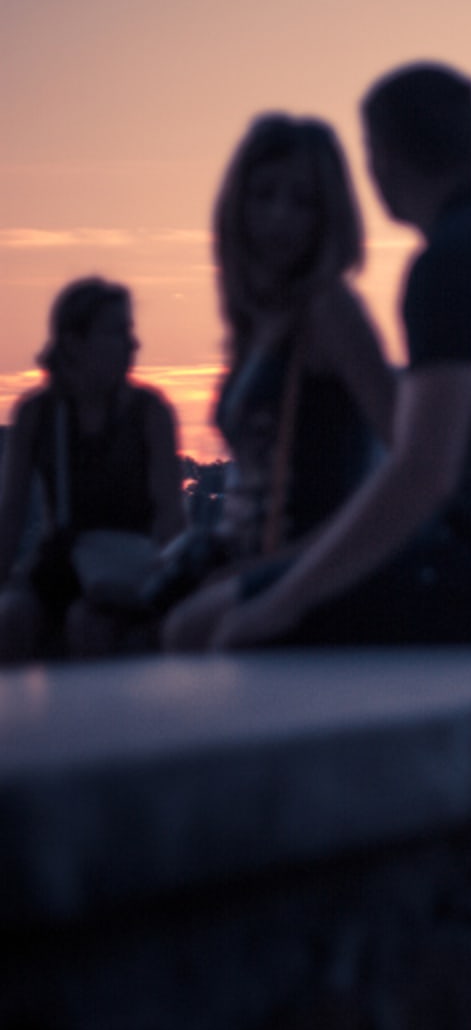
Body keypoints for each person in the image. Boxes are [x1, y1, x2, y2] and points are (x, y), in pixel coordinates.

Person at [204, 61, 471, 648]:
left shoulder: (451, 263)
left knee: (193, 626)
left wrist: (280, 603)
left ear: (380, 155)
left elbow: (424, 471)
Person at [161, 115, 394, 647]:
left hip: (308, 560)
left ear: (328, 216)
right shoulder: (259, 319)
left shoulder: (330, 311)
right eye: (263, 196)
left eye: (302, 202)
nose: (279, 218)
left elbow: (409, 458)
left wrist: (285, 567)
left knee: (183, 631)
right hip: (245, 552)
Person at [0, 278, 184, 660]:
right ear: (73, 342)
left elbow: (170, 514)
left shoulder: (149, 414)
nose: (133, 345)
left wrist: (169, 587)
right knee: (13, 618)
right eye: (118, 332)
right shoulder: (38, 415)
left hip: (129, 565)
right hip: (59, 562)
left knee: (91, 624)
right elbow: (11, 515)